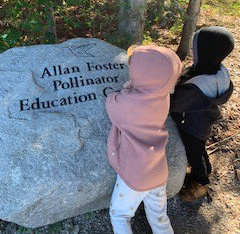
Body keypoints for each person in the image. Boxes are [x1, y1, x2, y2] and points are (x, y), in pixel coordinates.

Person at [105, 44, 182, 234]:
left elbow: (111, 102)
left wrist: (127, 90)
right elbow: (145, 94)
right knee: (159, 216)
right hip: (158, 171)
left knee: (120, 215)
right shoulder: (163, 97)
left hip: (135, 175)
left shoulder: (128, 103)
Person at [170, 26, 235, 202]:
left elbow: (175, 104)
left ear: (205, 51)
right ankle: (206, 169)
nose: (193, 50)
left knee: (194, 152)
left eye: (195, 47)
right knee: (199, 148)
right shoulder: (216, 71)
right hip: (204, 122)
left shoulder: (198, 88)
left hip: (193, 126)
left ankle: (200, 183)